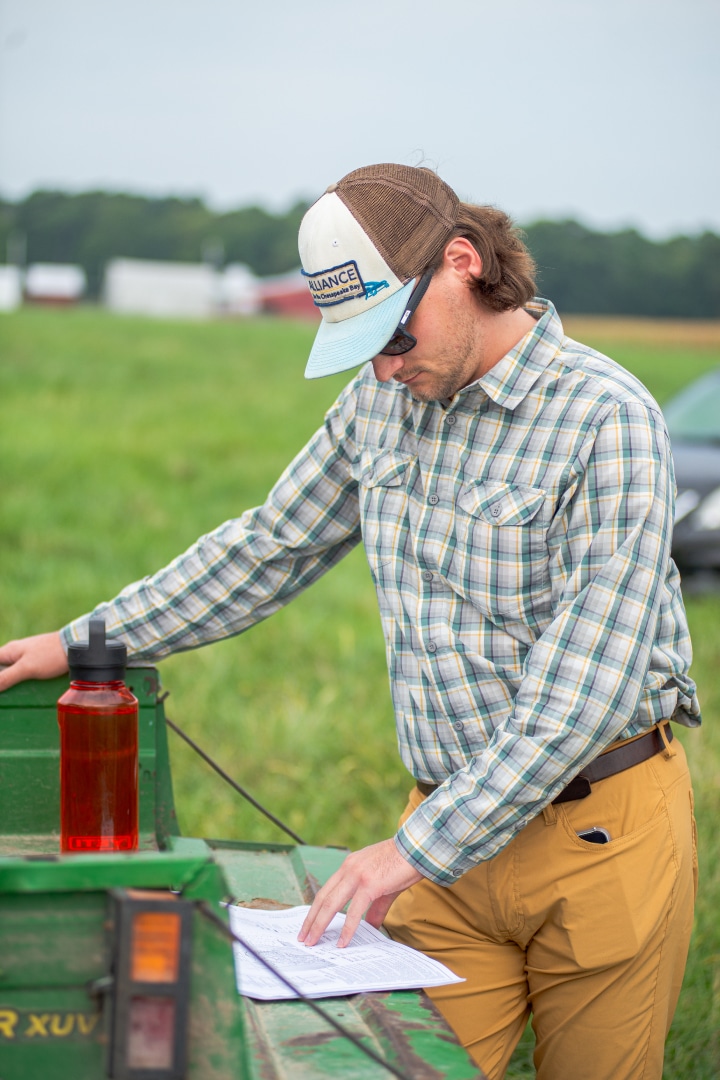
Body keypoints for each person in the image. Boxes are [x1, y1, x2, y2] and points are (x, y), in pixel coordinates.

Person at [0, 164, 699, 1080]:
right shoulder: (381, 399)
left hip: (597, 834)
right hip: (443, 849)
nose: (382, 366)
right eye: (362, 345)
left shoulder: (607, 420)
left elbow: (581, 692)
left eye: (393, 335)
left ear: (461, 264)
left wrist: (408, 853)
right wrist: (83, 639)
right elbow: (267, 547)